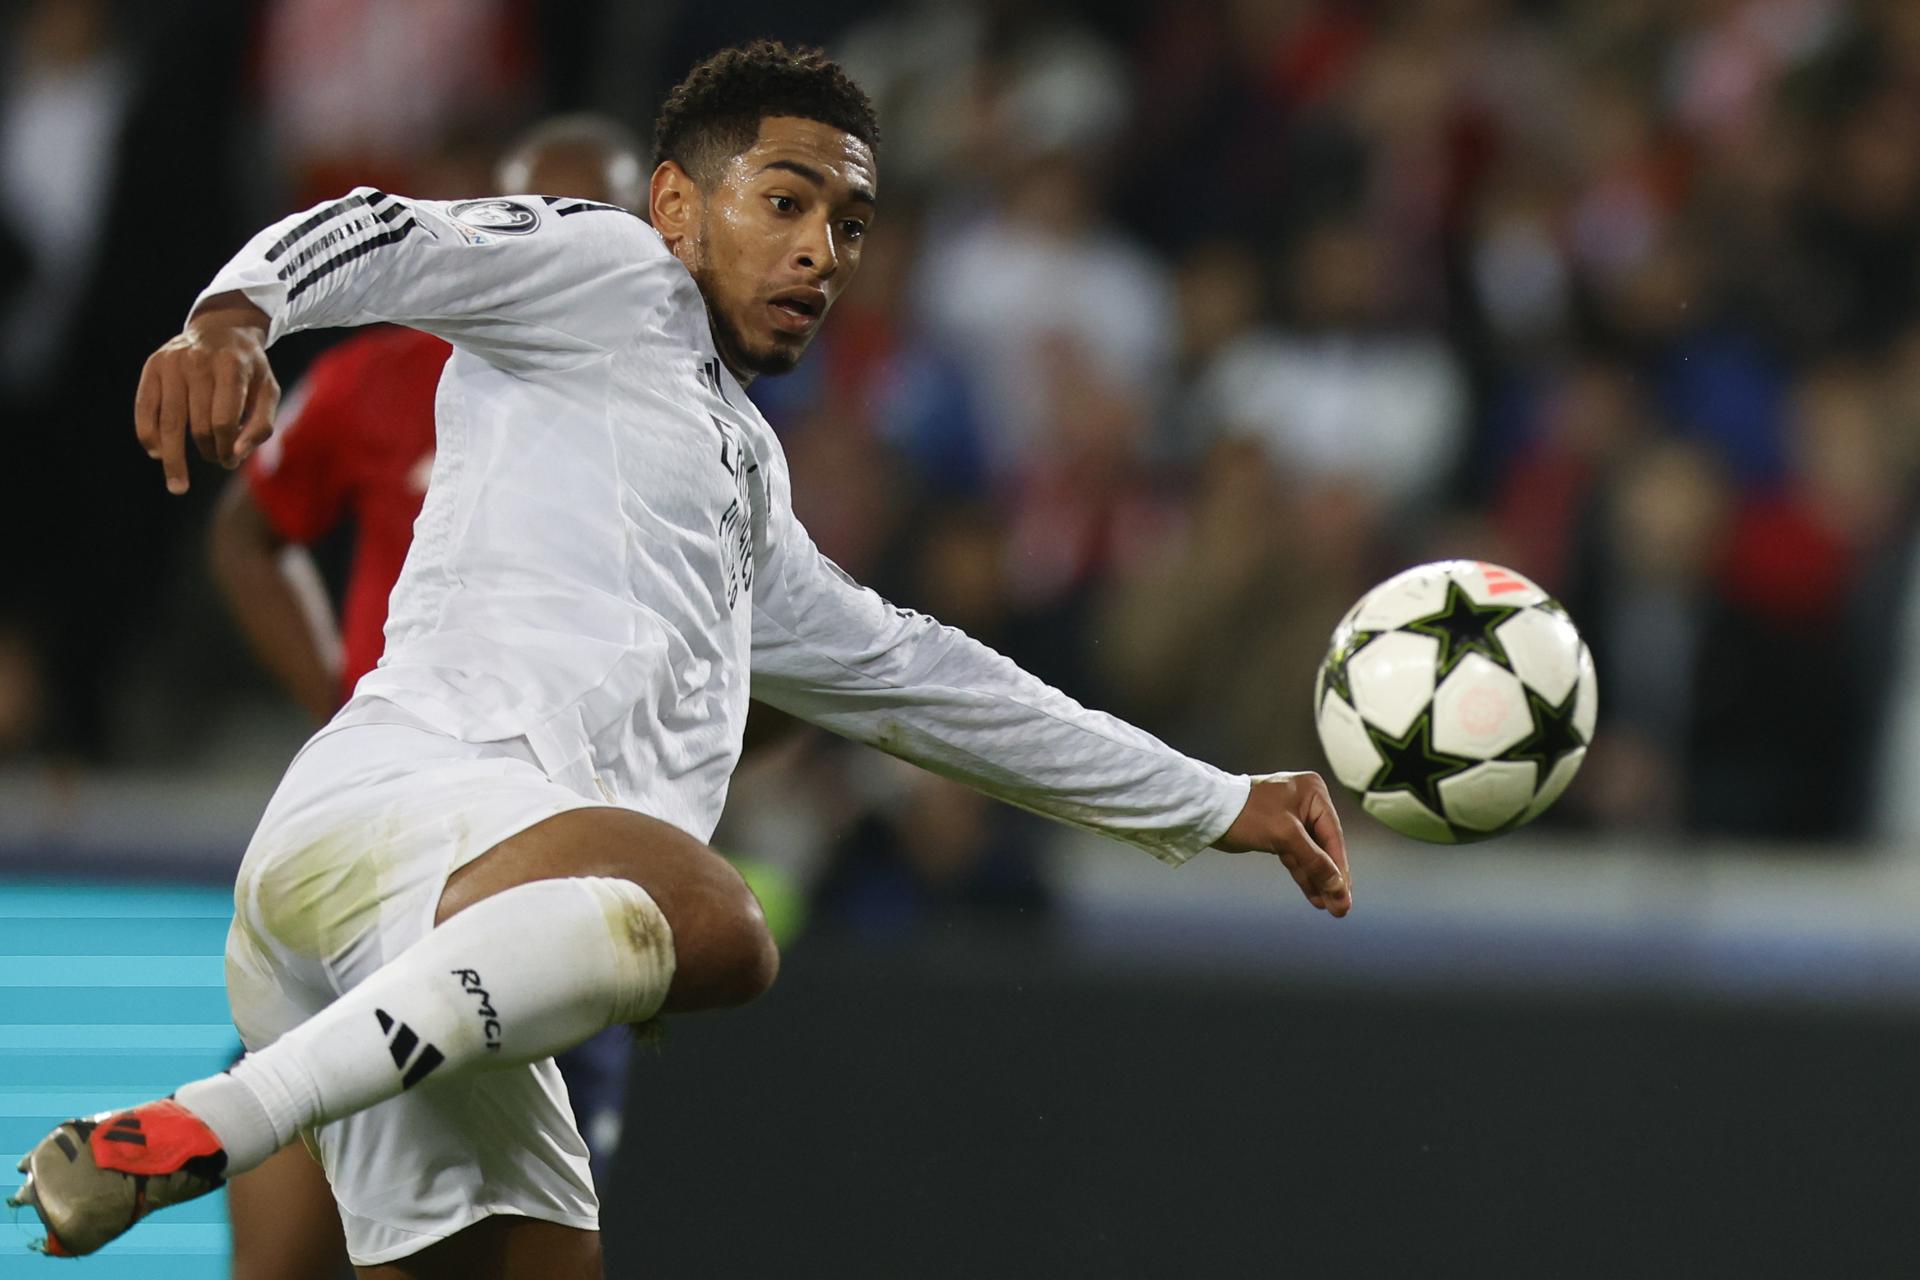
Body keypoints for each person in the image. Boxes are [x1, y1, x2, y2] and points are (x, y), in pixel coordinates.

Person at [10, 41, 1351, 1279]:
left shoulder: (751, 493)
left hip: (436, 956)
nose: (823, 251)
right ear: (673, 206)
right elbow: (390, 232)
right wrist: (236, 316)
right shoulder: (605, 276)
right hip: (408, 813)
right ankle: (217, 1118)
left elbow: (937, 685)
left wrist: (1217, 800)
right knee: (720, 923)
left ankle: (231, 1110)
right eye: (785, 203)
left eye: (850, 225)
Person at [207, 114, 647, 1280]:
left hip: (535, 861)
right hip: (385, 832)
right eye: (534, 216)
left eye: (596, 223)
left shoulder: (677, 426)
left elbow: (786, 643)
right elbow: (249, 532)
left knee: (501, 1239)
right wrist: (338, 699)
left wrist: (667, 794)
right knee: (302, 1253)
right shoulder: (382, 375)